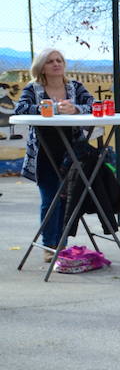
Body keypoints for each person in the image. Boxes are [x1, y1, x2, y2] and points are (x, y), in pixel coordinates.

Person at [14, 48, 94, 261]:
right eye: (50, 61)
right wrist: (49, 108)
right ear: (41, 67)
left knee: (68, 199)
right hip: (44, 151)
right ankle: (50, 247)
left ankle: (63, 246)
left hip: (73, 151)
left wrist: (75, 109)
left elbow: (93, 105)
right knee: (50, 199)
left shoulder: (75, 87)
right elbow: (20, 110)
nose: (56, 64)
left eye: (59, 60)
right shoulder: (33, 88)